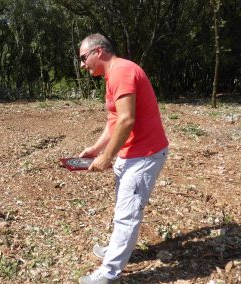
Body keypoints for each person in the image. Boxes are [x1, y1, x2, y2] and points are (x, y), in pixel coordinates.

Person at [78, 33, 169, 284]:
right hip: (132, 153)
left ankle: (109, 274)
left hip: (144, 156)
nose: (82, 64)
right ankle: (117, 250)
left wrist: (107, 158)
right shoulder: (113, 75)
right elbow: (115, 120)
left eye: (84, 58)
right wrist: (96, 149)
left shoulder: (122, 71)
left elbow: (127, 120)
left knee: (127, 215)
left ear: (98, 51)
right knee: (123, 209)